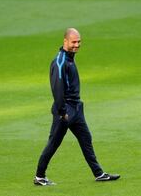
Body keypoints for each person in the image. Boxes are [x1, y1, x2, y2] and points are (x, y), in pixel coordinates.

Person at [34, 28, 120, 186]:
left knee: (86, 139)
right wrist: (62, 111)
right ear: (65, 41)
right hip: (65, 110)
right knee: (54, 143)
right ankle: (39, 176)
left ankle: (99, 173)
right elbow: (57, 88)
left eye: (79, 41)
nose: (77, 45)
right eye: (73, 42)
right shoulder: (59, 62)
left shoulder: (70, 58)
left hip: (76, 109)